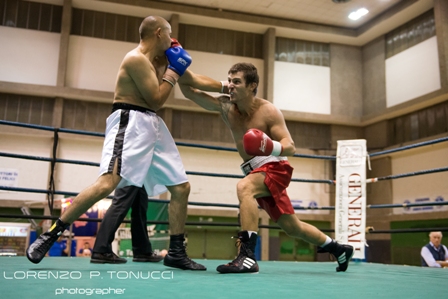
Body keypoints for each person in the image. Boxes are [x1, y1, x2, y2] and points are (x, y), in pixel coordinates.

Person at [26, 15, 226, 270]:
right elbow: (155, 98)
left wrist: (226, 87)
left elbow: (194, 80)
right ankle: (51, 234)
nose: (173, 38)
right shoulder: (136, 59)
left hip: (152, 124)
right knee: (107, 182)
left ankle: (176, 251)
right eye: (169, 33)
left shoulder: (162, 59)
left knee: (181, 187)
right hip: (129, 121)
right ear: (158, 33)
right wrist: (173, 72)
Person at [179, 62, 354, 273]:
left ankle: (247, 257)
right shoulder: (226, 108)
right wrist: (175, 64)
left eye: (237, 82)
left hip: (274, 166)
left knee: (245, 188)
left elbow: (291, 146)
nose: (231, 86)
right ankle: (339, 248)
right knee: (292, 227)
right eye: (230, 81)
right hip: (254, 170)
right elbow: (189, 90)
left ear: (252, 86)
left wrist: (270, 145)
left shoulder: (268, 111)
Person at [90, 186, 163, 264]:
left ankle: (142, 251)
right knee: (120, 203)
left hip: (142, 176)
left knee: (140, 206)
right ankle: (101, 250)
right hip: (130, 174)